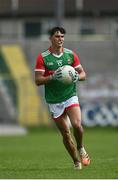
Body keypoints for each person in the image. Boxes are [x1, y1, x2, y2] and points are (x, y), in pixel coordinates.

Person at [34, 26, 90, 170]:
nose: (60, 39)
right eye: (57, 36)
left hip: (70, 95)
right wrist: (52, 77)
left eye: (62, 37)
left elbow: (83, 74)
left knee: (77, 125)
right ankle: (76, 161)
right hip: (54, 100)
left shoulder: (71, 55)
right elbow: (38, 80)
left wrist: (77, 76)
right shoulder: (43, 57)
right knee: (66, 134)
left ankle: (81, 147)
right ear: (50, 38)